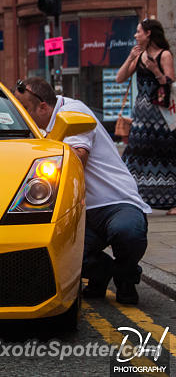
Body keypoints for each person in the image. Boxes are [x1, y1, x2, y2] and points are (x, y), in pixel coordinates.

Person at [13, 77, 151, 305]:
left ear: (43, 106)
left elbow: (78, 158)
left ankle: (126, 278)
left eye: (25, 109)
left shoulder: (74, 113)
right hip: (82, 211)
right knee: (59, 254)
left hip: (115, 202)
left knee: (128, 232)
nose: (22, 115)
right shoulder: (35, 128)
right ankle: (105, 272)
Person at [116, 18, 176, 215]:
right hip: (141, 117)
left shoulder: (164, 55)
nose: (135, 35)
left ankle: (172, 202)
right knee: (135, 156)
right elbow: (120, 77)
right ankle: (134, 198)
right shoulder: (139, 54)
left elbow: (170, 82)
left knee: (166, 156)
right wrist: (130, 57)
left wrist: (155, 71)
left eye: (138, 31)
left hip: (161, 118)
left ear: (148, 33)